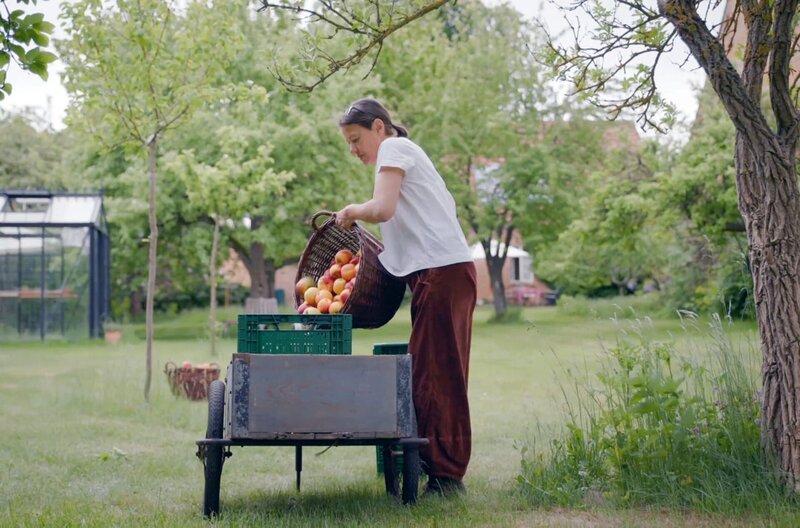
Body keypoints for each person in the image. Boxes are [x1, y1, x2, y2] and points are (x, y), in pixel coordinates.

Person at [335, 98, 477, 496]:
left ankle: (447, 477)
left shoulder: (395, 149)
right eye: (348, 143)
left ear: (379, 127)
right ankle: (441, 469)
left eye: (356, 138)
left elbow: (381, 208)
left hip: (442, 273)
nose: (354, 149)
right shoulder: (408, 153)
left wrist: (351, 212)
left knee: (436, 374)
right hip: (444, 272)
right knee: (437, 371)